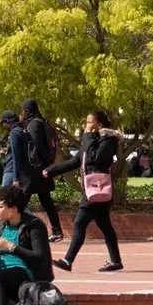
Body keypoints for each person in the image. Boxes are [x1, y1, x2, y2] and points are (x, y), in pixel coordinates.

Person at [48, 107, 124, 273]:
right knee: (105, 226)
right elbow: (75, 161)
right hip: (94, 191)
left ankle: (68, 260)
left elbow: (94, 158)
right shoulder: (91, 140)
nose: (87, 125)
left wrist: (88, 136)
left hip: (96, 190)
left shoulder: (108, 140)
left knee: (79, 223)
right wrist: (50, 171)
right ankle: (116, 261)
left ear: (99, 124)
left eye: (90, 122)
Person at [19, 99, 64, 238]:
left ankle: (14, 229)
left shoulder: (34, 124)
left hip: (35, 170)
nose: (22, 113)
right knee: (46, 200)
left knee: (22, 200)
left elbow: (35, 147)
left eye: (23, 110)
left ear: (28, 110)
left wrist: (31, 165)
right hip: (42, 167)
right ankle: (56, 230)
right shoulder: (42, 122)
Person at [0, 110, 23, 186]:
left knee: (3, 197)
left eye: (3, 123)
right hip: (19, 172)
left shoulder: (14, 133)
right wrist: (8, 151)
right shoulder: (21, 130)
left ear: (8, 121)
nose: (3, 126)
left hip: (11, 171)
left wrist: (15, 178)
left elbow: (16, 156)